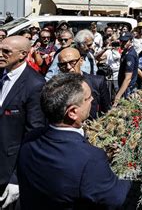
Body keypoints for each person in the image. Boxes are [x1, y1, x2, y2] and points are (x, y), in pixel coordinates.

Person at [17, 73, 131, 208]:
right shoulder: (91, 159)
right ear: (72, 112)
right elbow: (116, 198)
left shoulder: (30, 139)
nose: (93, 99)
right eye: (88, 98)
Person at [0, 36, 45, 208]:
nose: (0, 54)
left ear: (23, 55)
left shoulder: (35, 85)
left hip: (9, 172)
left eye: (6, 52)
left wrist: (16, 178)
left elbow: (33, 135)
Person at [57, 48, 111, 119]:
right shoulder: (57, 87)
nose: (68, 67)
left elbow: (107, 110)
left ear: (81, 61)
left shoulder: (97, 82)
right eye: (63, 64)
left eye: (72, 62)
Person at [114, 32, 138, 105]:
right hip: (125, 87)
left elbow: (128, 78)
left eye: (125, 41)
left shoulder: (129, 56)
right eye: (122, 41)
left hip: (128, 89)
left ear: (130, 41)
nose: (123, 43)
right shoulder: (126, 52)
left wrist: (118, 97)